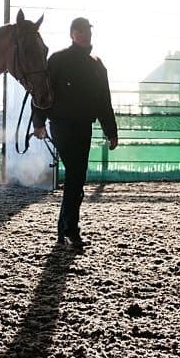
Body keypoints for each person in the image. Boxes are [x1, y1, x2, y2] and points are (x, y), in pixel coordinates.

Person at [32, 16, 118, 250]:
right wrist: (38, 122)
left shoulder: (97, 65)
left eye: (87, 31)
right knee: (75, 174)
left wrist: (111, 130)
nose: (86, 34)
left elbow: (104, 101)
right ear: (72, 34)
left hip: (83, 126)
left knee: (76, 176)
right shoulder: (58, 60)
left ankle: (65, 229)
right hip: (61, 125)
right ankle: (70, 230)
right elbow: (42, 93)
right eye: (81, 31)